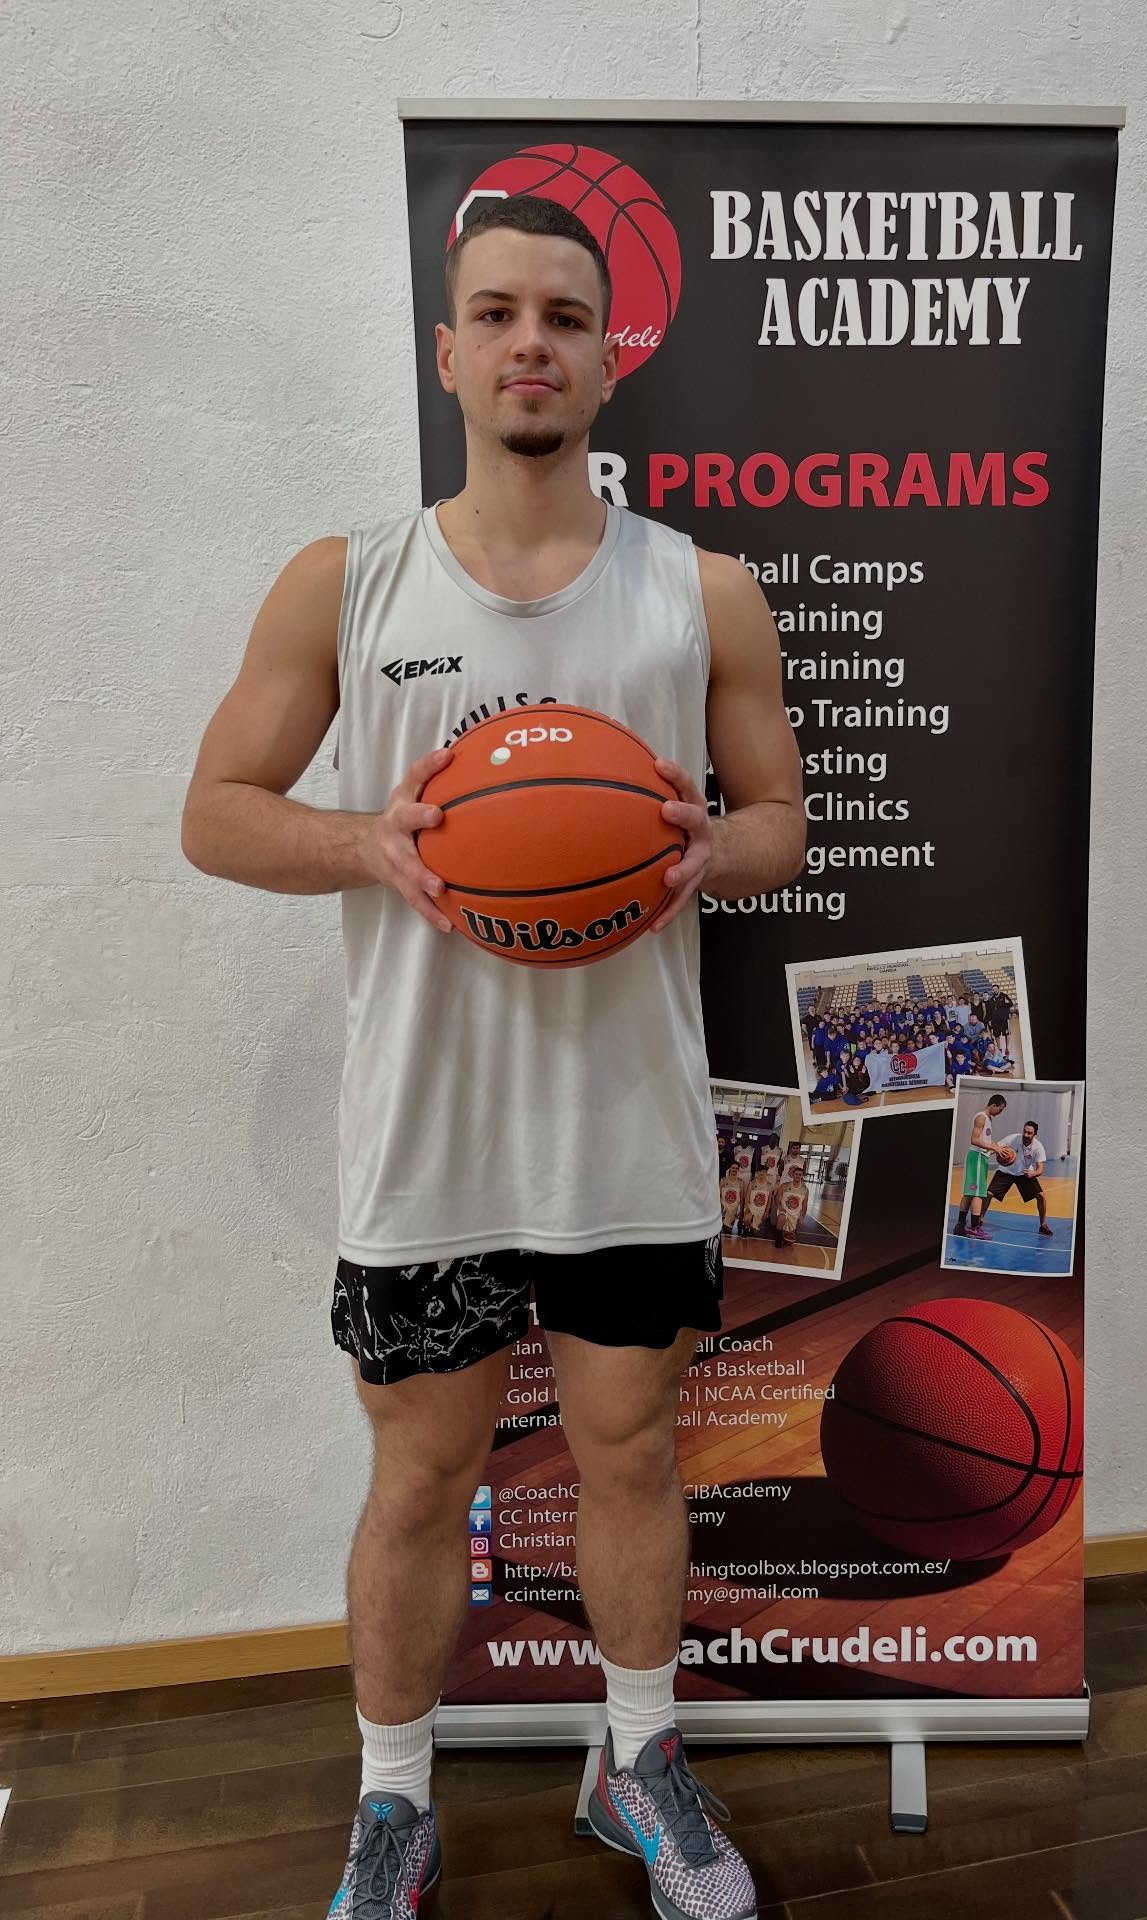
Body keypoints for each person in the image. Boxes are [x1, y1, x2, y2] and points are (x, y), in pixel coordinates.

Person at [180, 193, 804, 1920]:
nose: (534, 341)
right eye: (500, 313)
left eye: (567, 317)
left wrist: (706, 848)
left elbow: (779, 824)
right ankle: (393, 1800)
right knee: (418, 1477)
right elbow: (215, 813)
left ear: (610, 359)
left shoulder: (701, 591)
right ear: (448, 353)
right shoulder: (348, 581)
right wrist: (371, 843)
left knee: (631, 1455)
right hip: (429, 1134)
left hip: (626, 1128)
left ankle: (638, 1762)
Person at [982, 1119, 1053, 1235]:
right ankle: (979, 1220)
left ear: (1035, 1134)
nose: (1026, 1134)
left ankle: (1043, 1225)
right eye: (1024, 1131)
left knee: (1040, 1196)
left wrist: (1034, 1173)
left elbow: (1040, 1169)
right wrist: (989, 1153)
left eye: (1029, 1133)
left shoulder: (1038, 1147)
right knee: (988, 1194)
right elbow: (996, 1146)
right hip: (1005, 1171)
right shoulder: (1013, 1138)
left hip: (1023, 1173)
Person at [957, 1095, 1008, 1240]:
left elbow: (985, 1140)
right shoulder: (981, 1117)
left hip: (980, 1157)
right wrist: (995, 1148)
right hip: (977, 1157)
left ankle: (960, 1226)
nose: (1000, 1113)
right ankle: (974, 1228)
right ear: (994, 1105)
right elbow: (974, 1139)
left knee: (969, 1193)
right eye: (1000, 1109)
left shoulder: (988, 1119)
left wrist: (997, 1146)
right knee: (978, 1194)